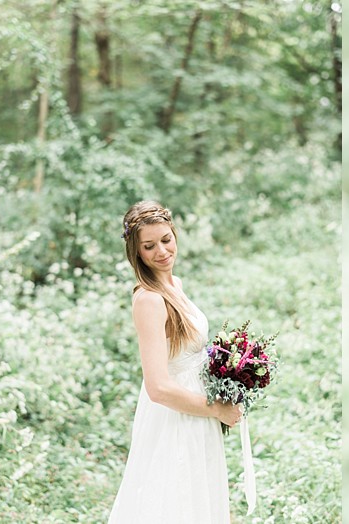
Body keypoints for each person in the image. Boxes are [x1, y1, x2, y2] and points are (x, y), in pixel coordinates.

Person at [109, 200, 241, 523]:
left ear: (175, 235)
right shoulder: (149, 300)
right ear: (136, 252)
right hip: (176, 417)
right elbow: (157, 387)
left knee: (198, 498)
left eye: (166, 240)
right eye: (149, 246)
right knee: (175, 500)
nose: (162, 252)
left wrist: (231, 372)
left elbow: (188, 354)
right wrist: (216, 408)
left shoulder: (174, 285)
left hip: (197, 410)